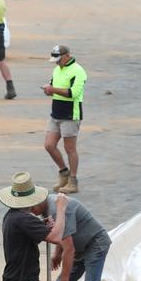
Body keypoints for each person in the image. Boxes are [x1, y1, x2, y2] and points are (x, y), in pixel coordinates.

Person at [43, 45, 87, 194]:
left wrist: (53, 90)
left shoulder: (78, 71)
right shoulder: (57, 69)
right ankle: (64, 173)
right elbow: (52, 84)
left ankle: (73, 181)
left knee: (70, 149)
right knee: (49, 145)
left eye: (59, 60)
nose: (57, 63)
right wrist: (48, 89)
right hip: (56, 113)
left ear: (67, 56)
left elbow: (73, 93)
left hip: (70, 114)